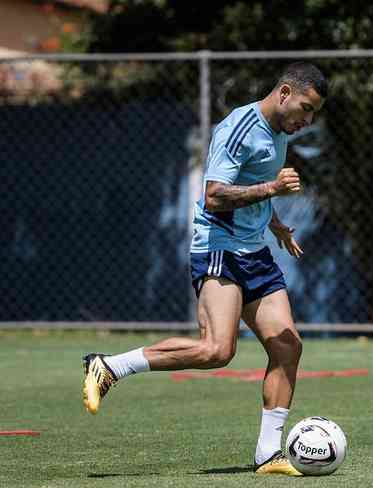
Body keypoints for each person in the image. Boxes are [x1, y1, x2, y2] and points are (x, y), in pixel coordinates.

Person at [82, 62, 327, 475]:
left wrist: (277, 224)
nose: (307, 120)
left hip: (255, 251)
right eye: (305, 107)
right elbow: (215, 196)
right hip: (219, 248)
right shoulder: (238, 127)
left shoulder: (278, 132)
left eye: (314, 113)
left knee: (288, 346)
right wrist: (271, 189)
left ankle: (269, 455)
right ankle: (110, 366)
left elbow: (254, 185)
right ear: (284, 93)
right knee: (217, 349)